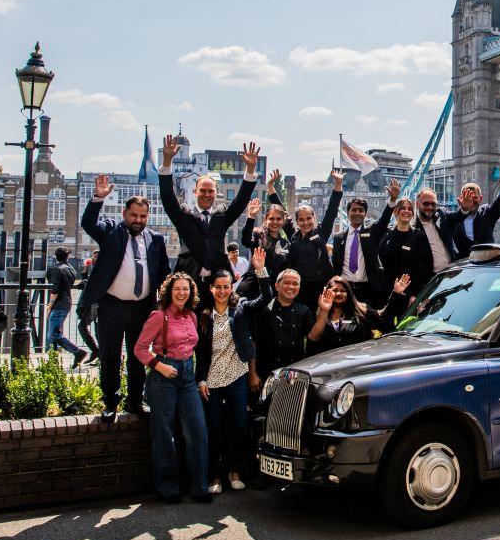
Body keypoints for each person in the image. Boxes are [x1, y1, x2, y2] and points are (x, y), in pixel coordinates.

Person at [81, 175, 169, 416]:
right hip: (112, 306)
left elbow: (163, 273)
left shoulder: (156, 239)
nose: (138, 220)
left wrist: (165, 305)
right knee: (110, 354)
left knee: (137, 355)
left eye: (143, 216)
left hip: (142, 307)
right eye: (134, 215)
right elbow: (88, 224)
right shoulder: (111, 231)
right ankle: (110, 401)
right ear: (124, 213)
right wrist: (98, 198)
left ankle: (135, 400)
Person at [134, 272, 210, 504]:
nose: (181, 293)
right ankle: (168, 489)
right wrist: (160, 366)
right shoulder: (159, 316)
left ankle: (199, 487)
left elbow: (194, 349)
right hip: (163, 376)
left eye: (186, 289)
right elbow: (140, 349)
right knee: (164, 433)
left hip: (187, 376)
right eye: (177, 289)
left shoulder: (191, 317)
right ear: (169, 291)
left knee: (197, 430)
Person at [159, 135, 258, 293]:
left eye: (210, 191)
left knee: (220, 318)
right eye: (202, 191)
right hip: (188, 283)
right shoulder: (184, 215)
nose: (206, 195)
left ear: (216, 193)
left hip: (218, 284)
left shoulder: (222, 215)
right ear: (195, 192)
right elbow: (167, 198)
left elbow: (240, 201)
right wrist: (167, 162)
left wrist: (250, 169)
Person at [197, 270, 258, 494]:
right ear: (211, 288)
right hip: (212, 379)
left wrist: (260, 270)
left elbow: (264, 297)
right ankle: (215, 476)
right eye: (218, 287)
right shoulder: (204, 315)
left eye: (226, 286)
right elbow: (201, 353)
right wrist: (201, 378)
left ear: (231, 287)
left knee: (239, 427)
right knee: (214, 429)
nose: (222, 291)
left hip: (237, 377)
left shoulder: (240, 308)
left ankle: (235, 472)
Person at [269, 167, 343, 309]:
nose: (306, 222)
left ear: (314, 218)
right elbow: (281, 210)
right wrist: (271, 186)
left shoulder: (321, 232)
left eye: (309, 218)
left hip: (319, 287)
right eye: (301, 220)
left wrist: (338, 184)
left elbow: (332, 210)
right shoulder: (293, 235)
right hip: (298, 288)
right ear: (297, 222)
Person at [331, 179, 398, 307]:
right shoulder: (338, 237)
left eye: (361, 210)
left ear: (365, 213)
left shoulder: (373, 233)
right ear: (348, 212)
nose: (357, 213)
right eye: (354, 210)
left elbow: (383, 222)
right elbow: (335, 264)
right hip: (346, 288)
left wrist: (392, 200)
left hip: (369, 288)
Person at [445, 162, 500, 258]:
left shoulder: (487, 213)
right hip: (464, 267)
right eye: (467, 198)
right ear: (461, 199)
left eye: (474, 197)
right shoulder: (453, 219)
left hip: (487, 265)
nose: (471, 201)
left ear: (480, 198)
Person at [253, 268, 314, 379]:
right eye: (286, 283)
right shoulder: (265, 309)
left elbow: (314, 337)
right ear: (277, 286)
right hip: (266, 374)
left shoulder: (304, 311)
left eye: (295, 284)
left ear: (299, 288)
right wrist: (253, 374)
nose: (291, 287)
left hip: (295, 374)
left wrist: (324, 311)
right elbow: (253, 342)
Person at [376, 191, 431, 298]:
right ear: (395, 212)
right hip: (384, 292)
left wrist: (415, 294)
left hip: (408, 293)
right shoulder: (386, 234)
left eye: (409, 209)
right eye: (403, 208)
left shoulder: (419, 236)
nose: (406, 211)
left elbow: (424, 269)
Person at [306, 276, 375, 355]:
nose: (338, 293)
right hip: (326, 363)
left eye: (343, 291)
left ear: (348, 294)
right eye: (334, 290)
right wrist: (325, 310)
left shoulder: (359, 315)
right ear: (327, 292)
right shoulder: (317, 314)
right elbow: (313, 338)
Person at [45, 247, 88, 367]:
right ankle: (52, 363)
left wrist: (50, 305)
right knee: (55, 333)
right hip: (67, 302)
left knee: (52, 334)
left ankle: (77, 352)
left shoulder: (58, 269)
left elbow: (55, 289)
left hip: (58, 304)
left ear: (56, 256)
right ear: (67, 257)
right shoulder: (71, 269)